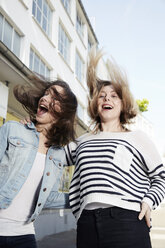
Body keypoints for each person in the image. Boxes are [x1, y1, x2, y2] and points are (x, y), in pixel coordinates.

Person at [65, 50, 165, 248]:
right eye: (101, 96)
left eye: (113, 96)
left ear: (123, 104)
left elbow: (160, 177)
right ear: (95, 103)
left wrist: (148, 202)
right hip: (87, 223)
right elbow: (51, 155)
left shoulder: (137, 138)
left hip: (127, 220)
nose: (106, 99)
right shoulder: (82, 141)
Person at [0, 76, 77, 248]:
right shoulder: (13, 129)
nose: (45, 98)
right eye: (46, 94)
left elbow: (48, 198)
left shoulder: (58, 154)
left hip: (24, 235)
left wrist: (80, 197)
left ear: (63, 111)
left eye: (54, 97)